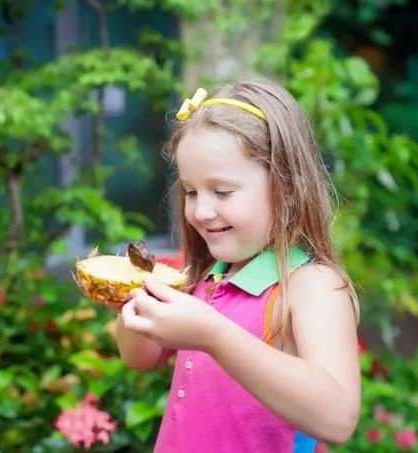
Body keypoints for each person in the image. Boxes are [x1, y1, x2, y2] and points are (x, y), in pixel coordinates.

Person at [114, 79, 361, 452]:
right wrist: (133, 300)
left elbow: (337, 418)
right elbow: (139, 357)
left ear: (287, 187)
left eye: (223, 192)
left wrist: (213, 335)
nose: (201, 211)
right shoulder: (207, 277)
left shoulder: (311, 285)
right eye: (191, 192)